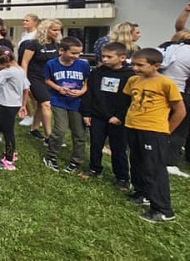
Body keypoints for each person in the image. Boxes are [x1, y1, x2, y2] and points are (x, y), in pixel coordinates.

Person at [124, 48, 186, 222]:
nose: (135, 68)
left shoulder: (166, 83)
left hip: (154, 130)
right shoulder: (133, 80)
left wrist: (166, 131)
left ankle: (163, 209)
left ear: (156, 65)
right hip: (133, 126)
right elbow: (131, 101)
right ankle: (142, 193)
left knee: (154, 168)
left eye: (140, 65)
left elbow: (180, 111)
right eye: (133, 64)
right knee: (136, 161)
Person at [79, 42, 135, 189]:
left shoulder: (130, 76)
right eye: (103, 56)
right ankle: (95, 168)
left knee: (119, 148)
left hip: (118, 119)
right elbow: (89, 93)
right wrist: (87, 113)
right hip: (98, 116)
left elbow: (132, 101)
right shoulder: (97, 72)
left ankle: (122, 177)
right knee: (96, 144)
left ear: (122, 57)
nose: (104, 59)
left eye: (109, 57)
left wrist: (120, 116)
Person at [42, 37, 91, 174]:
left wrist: (82, 91)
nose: (76, 56)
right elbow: (47, 80)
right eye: (73, 53)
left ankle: (76, 161)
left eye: (79, 53)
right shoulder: (51, 64)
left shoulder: (83, 64)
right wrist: (58, 89)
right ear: (62, 51)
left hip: (77, 102)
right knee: (60, 130)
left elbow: (87, 81)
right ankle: (51, 157)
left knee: (79, 134)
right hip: (59, 100)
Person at [0, 47, 29, 171]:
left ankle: (8, 161)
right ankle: (11, 153)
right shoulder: (20, 70)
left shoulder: (8, 71)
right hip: (14, 103)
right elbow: (26, 88)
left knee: (8, 132)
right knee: (8, 130)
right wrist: (23, 105)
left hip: (7, 104)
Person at [20, 19, 62, 141]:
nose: (57, 32)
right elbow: (25, 62)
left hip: (49, 78)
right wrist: (24, 80)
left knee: (40, 104)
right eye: (54, 30)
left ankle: (34, 129)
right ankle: (49, 136)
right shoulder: (34, 44)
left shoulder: (56, 44)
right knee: (46, 104)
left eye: (59, 30)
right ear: (46, 29)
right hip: (35, 77)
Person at [160, 29, 190, 176]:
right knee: (179, 128)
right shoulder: (187, 52)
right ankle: (169, 161)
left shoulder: (166, 47)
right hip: (179, 91)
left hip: (158, 89)